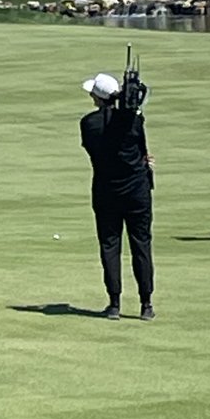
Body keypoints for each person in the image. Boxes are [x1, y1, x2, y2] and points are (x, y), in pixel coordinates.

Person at [80, 72, 155, 320]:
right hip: (137, 192)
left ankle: (114, 304)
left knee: (110, 245)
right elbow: (141, 150)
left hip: (106, 191)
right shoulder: (133, 120)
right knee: (141, 245)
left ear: (98, 98)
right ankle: (146, 304)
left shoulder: (88, 124)